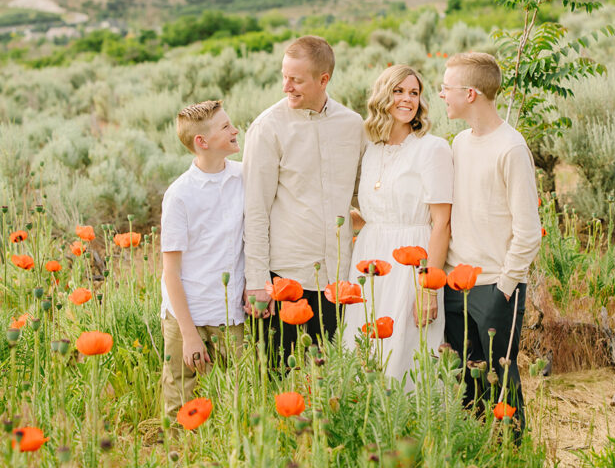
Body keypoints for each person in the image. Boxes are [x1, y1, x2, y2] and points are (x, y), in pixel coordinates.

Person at [242, 35, 365, 355]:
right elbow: (255, 209)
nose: (286, 86)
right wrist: (256, 282)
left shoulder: (353, 126)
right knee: (280, 378)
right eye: (284, 77)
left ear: (323, 80)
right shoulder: (267, 128)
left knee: (334, 378)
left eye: (296, 80)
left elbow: (363, 194)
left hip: (338, 280)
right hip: (286, 279)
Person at [440, 52, 542, 431]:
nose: (441, 95)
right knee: (466, 385)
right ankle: (476, 460)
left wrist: (504, 286)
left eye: (446, 88)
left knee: (502, 386)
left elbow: (529, 231)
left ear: (470, 93)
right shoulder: (458, 144)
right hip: (456, 285)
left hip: (496, 286)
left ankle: (514, 463)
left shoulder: (510, 148)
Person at [343, 64, 453, 386]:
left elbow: (442, 222)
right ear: (383, 96)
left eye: (414, 93)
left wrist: (428, 289)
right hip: (370, 263)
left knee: (407, 351)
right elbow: (375, 211)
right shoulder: (371, 149)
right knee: (367, 349)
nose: (407, 99)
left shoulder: (431, 148)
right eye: (399, 91)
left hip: (412, 266)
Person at [160, 100, 245, 417]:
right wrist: (190, 335)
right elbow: (171, 273)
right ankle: (181, 459)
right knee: (181, 399)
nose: (235, 130)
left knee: (235, 397)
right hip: (188, 315)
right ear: (202, 141)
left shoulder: (243, 177)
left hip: (231, 313)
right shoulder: (180, 194)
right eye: (225, 127)